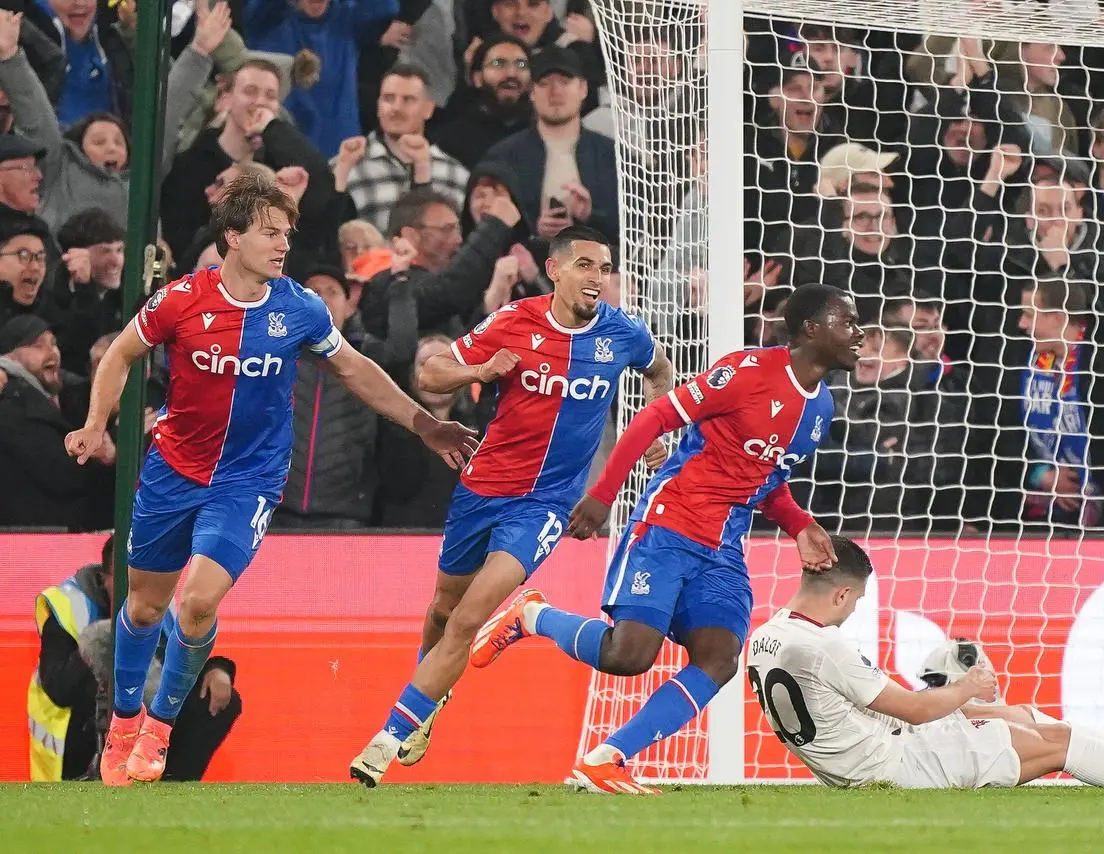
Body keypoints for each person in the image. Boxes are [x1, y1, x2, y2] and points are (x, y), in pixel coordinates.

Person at [63, 171, 478, 787]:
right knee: (145, 606)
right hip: (173, 471)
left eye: (287, 233)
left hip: (247, 483)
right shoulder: (181, 299)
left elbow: (357, 371)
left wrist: (425, 425)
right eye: (269, 232)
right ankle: (124, 719)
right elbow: (122, 352)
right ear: (232, 237)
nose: (283, 244)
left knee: (198, 601)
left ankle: (158, 727)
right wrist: (97, 422)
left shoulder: (300, 308)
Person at [470, 283, 863, 794]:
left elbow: (763, 480)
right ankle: (532, 616)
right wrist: (604, 493)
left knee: (720, 657)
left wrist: (800, 525)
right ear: (812, 329)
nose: (859, 334)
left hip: (724, 548)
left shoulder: (820, 410)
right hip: (670, 527)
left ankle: (606, 759)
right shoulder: (748, 372)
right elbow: (656, 416)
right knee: (628, 657)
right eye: (848, 322)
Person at [349, 225, 674, 787]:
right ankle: (427, 698)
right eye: (586, 266)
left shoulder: (622, 334)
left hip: (544, 505)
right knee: (443, 612)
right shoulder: (515, 321)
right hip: (481, 491)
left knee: (470, 618)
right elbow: (430, 371)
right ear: (555, 270)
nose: (597, 278)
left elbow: (660, 370)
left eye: (604, 267)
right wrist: (479, 370)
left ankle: (386, 739)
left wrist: (655, 432)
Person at [746, 536, 1104, 791]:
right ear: (840, 595)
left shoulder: (767, 636)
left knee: (1021, 716)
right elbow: (913, 711)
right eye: (856, 600)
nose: (857, 608)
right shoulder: (825, 646)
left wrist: (961, 703)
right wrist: (967, 687)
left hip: (868, 758)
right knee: (1054, 744)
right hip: (895, 769)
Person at [28, 534, 242, 782]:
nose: (137, 590)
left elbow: (178, 657)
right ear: (105, 576)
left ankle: (174, 783)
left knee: (219, 698)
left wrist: (216, 670)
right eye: (128, 581)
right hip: (75, 743)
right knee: (109, 683)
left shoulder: (157, 600)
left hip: (144, 717)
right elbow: (59, 689)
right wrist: (104, 639)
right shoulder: (66, 605)